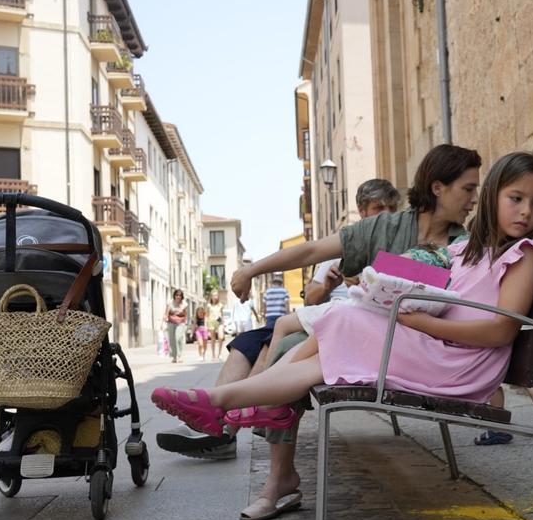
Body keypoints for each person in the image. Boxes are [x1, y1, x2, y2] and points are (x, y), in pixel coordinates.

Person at [153, 151, 533, 520]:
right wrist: (379, 282)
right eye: (515, 198)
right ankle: (227, 402)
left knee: (342, 318)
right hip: (440, 351)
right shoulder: (466, 249)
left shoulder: (521, 253)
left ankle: (232, 403)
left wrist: (417, 320)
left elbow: (501, 330)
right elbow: (417, 279)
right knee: (342, 317)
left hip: (458, 365)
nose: (526, 212)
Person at [155, 177, 403, 460]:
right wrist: (328, 285)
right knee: (245, 343)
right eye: (378, 208)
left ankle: (225, 428)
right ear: (363, 210)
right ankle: (216, 423)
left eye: (390, 209)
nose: (386, 215)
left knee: (273, 345)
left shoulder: (397, 248)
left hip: (338, 326)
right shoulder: (347, 243)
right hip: (316, 316)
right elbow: (311, 297)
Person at [163, 289, 187, 364]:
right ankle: (174, 356)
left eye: (180, 295)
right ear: (174, 296)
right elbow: (166, 312)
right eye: (177, 295)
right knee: (172, 340)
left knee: (178, 338)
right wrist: (165, 319)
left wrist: (185, 322)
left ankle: (179, 356)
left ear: (182, 297)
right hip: (171, 322)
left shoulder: (184, 304)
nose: (178, 297)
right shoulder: (170, 302)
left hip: (180, 323)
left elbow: (185, 314)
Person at [205, 290, 225, 360]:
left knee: (221, 337)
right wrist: (206, 325)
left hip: (219, 322)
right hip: (211, 322)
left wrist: (223, 324)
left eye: (216, 295)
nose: (215, 297)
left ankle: (220, 353)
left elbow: (222, 315)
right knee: (213, 339)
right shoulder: (209, 305)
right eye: (213, 295)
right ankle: (213, 354)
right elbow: (206, 315)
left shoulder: (220, 305)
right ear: (211, 297)